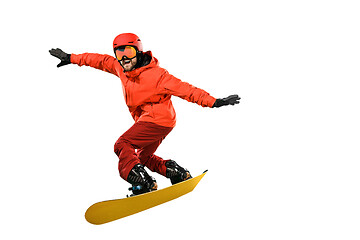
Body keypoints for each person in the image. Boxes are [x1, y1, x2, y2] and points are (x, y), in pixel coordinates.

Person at [49, 33, 240, 195]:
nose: (124, 58)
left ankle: (144, 183)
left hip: (157, 120)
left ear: (138, 52)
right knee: (142, 158)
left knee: (122, 144)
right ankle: (176, 173)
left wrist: (214, 101)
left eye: (129, 52)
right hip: (159, 122)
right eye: (119, 53)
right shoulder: (121, 68)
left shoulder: (158, 75)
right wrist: (71, 58)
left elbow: (186, 90)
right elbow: (100, 61)